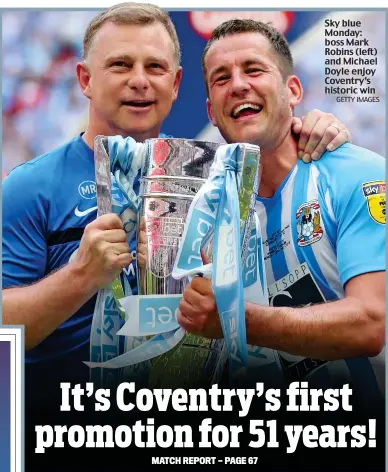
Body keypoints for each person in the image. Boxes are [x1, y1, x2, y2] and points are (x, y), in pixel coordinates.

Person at [2, 4, 351, 395]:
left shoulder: (219, 177)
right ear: (85, 78)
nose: (139, 81)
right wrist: (79, 276)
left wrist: (319, 132)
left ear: (176, 83)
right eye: (120, 65)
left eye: (155, 67)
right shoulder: (31, 186)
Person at [178, 19, 385, 403]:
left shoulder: (357, 173)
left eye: (254, 69)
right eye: (221, 78)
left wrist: (235, 319)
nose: (238, 84)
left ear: (293, 90)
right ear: (211, 110)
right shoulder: (208, 227)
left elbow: (371, 325)